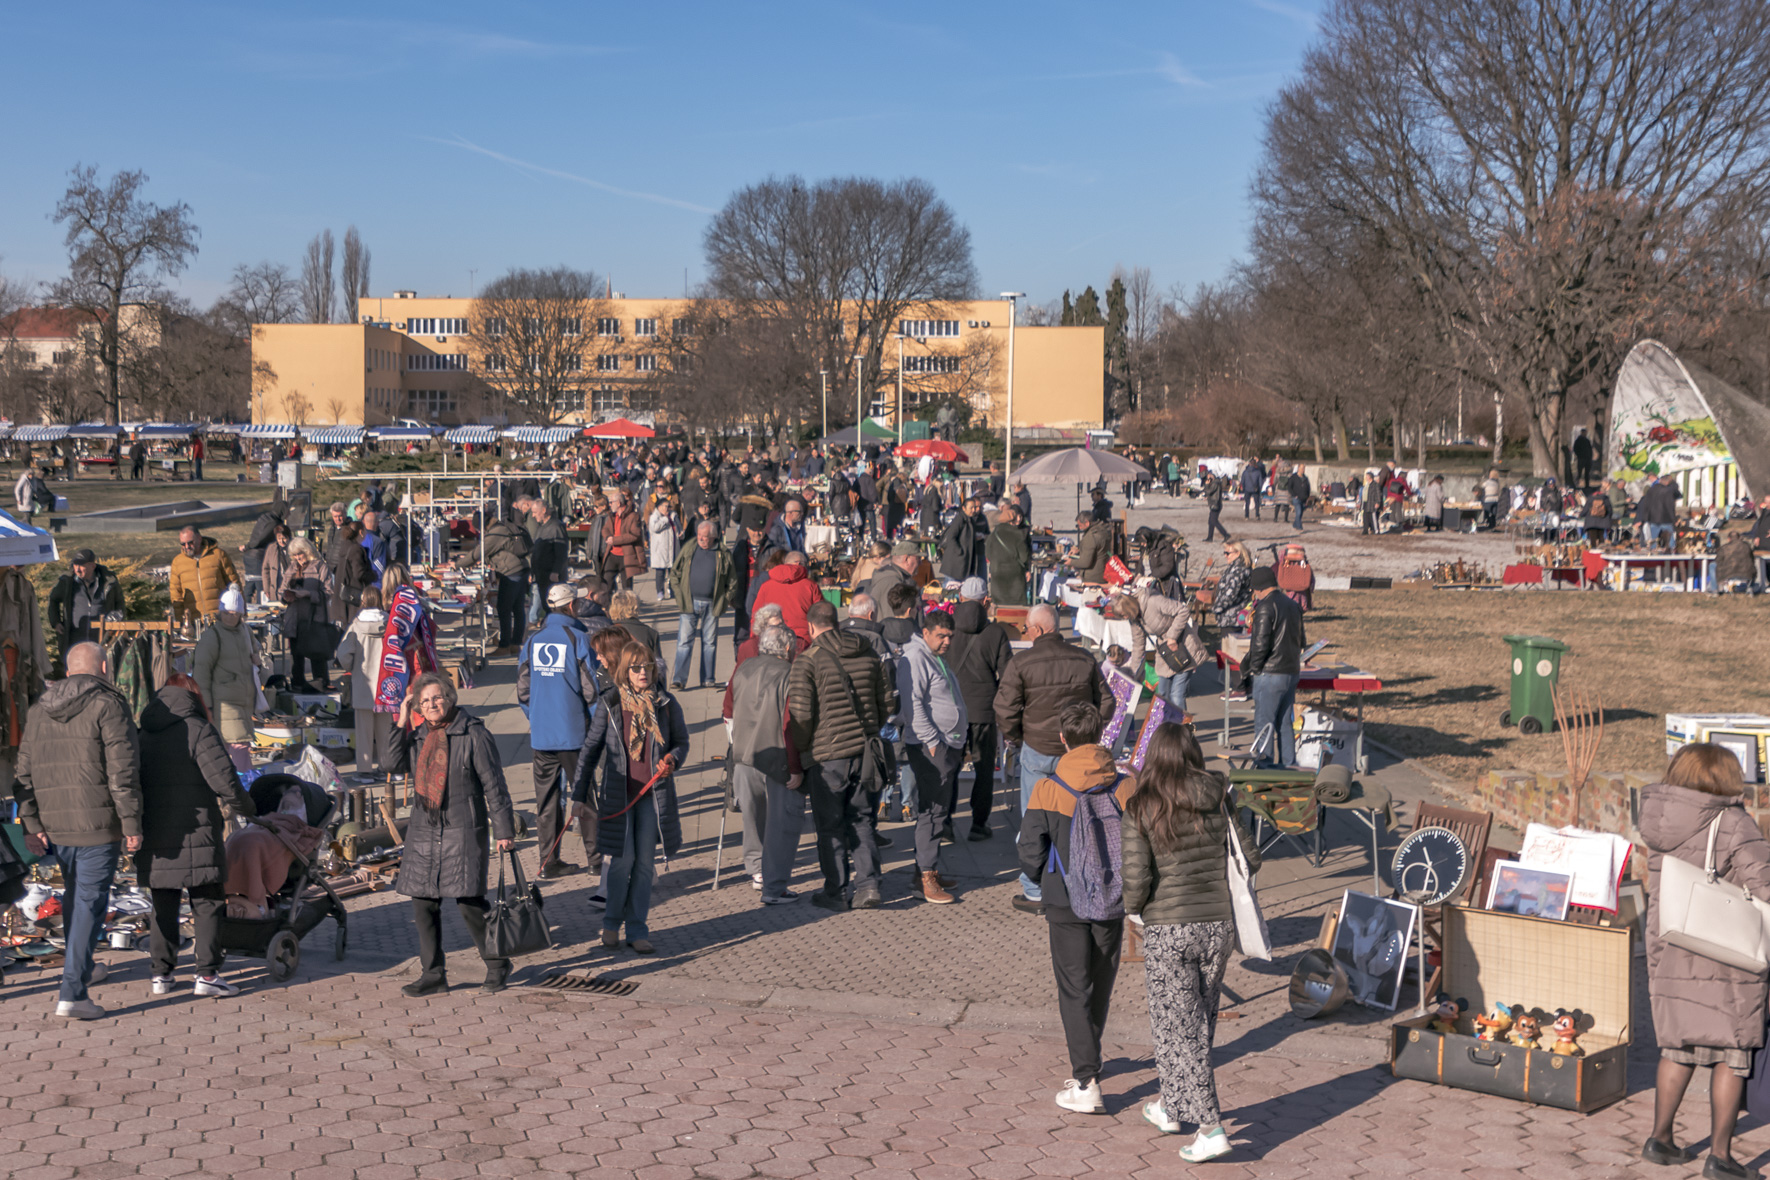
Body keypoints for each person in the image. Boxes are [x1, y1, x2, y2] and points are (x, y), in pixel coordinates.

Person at [1122, 722, 1259, 1163]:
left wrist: (1135, 910)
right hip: (1218, 924)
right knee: (1196, 1019)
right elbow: (1251, 857)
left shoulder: (1142, 804)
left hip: (1169, 927)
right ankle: (1170, 1104)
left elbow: (1136, 877)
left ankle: (1210, 1126)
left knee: (1179, 1025)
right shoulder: (1220, 794)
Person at [1640, 744, 1770, 1179]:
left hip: (1674, 949)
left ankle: (1660, 1139)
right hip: (1725, 959)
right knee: (1731, 1055)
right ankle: (1721, 1157)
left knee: (1676, 1048)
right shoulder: (1733, 822)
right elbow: (1765, 883)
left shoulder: (1658, 821)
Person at [1017, 702, 1137, 1116]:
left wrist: (1040, 878)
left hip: (1064, 898)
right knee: (1101, 979)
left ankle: (1086, 1080)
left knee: (1073, 985)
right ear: (1102, 735)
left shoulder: (1049, 787)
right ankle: (1092, 1056)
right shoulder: (1124, 785)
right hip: (1113, 898)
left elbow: (1030, 848)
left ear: (1063, 739)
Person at [13, 641, 142, 1019]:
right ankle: (73, 994)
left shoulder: (39, 710)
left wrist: (32, 825)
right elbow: (123, 771)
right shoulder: (109, 704)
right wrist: (132, 823)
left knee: (77, 900)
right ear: (104, 667)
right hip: (98, 824)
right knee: (88, 902)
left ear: (68, 672)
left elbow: (24, 774)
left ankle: (82, 969)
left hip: (56, 825)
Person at [392, 673, 518, 995]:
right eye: (425, 701)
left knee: (469, 903)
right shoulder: (419, 735)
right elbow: (390, 763)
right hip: (424, 831)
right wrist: (402, 720)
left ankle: (497, 963)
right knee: (423, 904)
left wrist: (503, 830)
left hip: (462, 830)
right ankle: (433, 975)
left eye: (437, 698)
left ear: (449, 697)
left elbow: (494, 784)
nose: (432, 704)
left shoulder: (474, 733)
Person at [136, 679, 256, 999]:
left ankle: (161, 975)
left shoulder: (144, 731)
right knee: (207, 901)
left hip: (155, 831)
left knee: (162, 902)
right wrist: (252, 810)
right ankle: (207, 974)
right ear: (194, 696)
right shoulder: (197, 729)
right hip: (198, 831)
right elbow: (226, 781)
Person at [570, 640, 689, 955]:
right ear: (624, 671)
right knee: (622, 864)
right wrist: (579, 796)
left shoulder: (666, 703)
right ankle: (611, 925)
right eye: (636, 667)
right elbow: (590, 751)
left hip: (653, 796)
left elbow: (681, 741)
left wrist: (673, 759)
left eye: (647, 666)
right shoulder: (609, 703)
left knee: (645, 866)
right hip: (618, 797)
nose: (643, 672)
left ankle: (638, 930)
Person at [994, 605, 1112, 913]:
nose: (1027, 634)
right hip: (1075, 750)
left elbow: (1005, 709)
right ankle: (1079, 880)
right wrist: (1087, 733)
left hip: (1037, 748)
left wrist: (1019, 737)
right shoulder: (1084, 659)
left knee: (1035, 819)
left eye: (1028, 629)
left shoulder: (1022, 662)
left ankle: (1034, 888)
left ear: (1037, 630)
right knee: (1076, 819)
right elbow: (1108, 701)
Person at [787, 601, 894, 912]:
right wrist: (872, 727)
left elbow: (801, 716)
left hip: (828, 755)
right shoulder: (868, 651)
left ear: (810, 627)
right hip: (866, 751)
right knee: (862, 820)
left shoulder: (807, 662)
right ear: (839, 621)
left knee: (830, 826)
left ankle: (835, 890)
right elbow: (887, 701)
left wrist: (806, 749)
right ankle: (869, 885)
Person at [519, 583, 601, 879]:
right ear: (571, 607)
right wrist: (595, 725)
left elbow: (523, 688)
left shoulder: (533, 640)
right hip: (573, 733)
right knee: (585, 796)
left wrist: (536, 716)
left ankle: (548, 862)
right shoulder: (578, 638)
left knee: (546, 801)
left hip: (542, 734)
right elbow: (591, 690)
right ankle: (595, 860)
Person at [729, 625, 807, 904]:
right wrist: (795, 766)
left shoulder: (744, 668)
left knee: (753, 817)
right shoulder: (790, 673)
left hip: (744, 755)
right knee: (781, 825)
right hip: (777, 758)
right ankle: (774, 887)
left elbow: (729, 707)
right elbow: (791, 722)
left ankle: (756, 870)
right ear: (788, 649)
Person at [897, 610, 966, 904]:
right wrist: (932, 741)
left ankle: (926, 870)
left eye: (950, 636)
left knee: (937, 809)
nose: (947, 641)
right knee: (933, 810)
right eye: (941, 636)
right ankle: (926, 877)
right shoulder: (915, 658)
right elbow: (913, 706)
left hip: (946, 743)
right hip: (930, 747)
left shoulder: (933, 656)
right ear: (926, 633)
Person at [948, 579, 1013, 841]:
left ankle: (945, 823)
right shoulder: (996, 633)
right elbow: (1008, 674)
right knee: (984, 769)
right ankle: (978, 824)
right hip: (984, 709)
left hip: (951, 709)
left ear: (960, 598)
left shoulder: (947, 628)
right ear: (985, 600)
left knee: (949, 768)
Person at [1114, 580, 1208, 719]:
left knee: (1177, 694)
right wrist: (1133, 674)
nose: (1124, 618)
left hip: (1184, 647)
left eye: (1123, 614)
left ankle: (1182, 731)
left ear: (1129, 607)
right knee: (1162, 693)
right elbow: (1138, 646)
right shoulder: (1135, 618)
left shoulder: (1153, 601)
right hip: (1165, 653)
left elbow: (1183, 610)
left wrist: (1172, 637)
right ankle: (1166, 727)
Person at [1243, 567, 1305, 768]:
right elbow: (1301, 639)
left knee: (1264, 724)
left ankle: (1264, 767)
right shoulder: (1293, 605)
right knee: (1285, 723)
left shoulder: (1265, 607)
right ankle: (1289, 765)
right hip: (1291, 671)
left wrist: (1254, 669)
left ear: (1258, 588)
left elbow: (1260, 644)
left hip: (1270, 673)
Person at [193, 587, 261, 761]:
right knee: (238, 745)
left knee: (234, 746)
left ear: (240, 614)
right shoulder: (212, 636)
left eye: (234, 613)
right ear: (220, 612)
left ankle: (236, 782)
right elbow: (201, 672)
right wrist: (206, 705)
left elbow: (256, 650)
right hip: (224, 703)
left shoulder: (245, 631)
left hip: (244, 701)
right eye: (227, 613)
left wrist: (256, 658)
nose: (230, 617)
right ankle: (241, 783)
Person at [669, 520, 735, 690]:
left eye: (705, 537)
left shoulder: (723, 553)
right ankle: (679, 679)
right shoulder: (689, 547)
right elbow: (675, 573)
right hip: (689, 602)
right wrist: (679, 596)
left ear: (713, 537)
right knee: (684, 642)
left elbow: (732, 581)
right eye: (699, 536)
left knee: (710, 643)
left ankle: (708, 678)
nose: (701, 540)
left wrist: (724, 600)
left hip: (712, 604)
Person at [336, 587, 392, 777]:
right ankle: (386, 768)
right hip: (386, 683)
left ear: (363, 601)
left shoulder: (356, 625)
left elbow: (343, 653)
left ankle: (364, 770)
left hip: (363, 683)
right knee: (385, 731)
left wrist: (351, 667)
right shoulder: (390, 622)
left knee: (363, 732)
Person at [276, 538, 336, 693]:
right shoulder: (291, 568)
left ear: (307, 551)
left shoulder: (321, 567)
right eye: (295, 555)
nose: (298, 558)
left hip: (314, 619)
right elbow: (281, 590)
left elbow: (328, 592)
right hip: (295, 619)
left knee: (317, 656)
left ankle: (320, 685)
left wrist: (308, 594)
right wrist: (285, 596)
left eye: (300, 554)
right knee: (296, 656)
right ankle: (297, 685)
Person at [47, 548, 123, 653]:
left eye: (81, 565)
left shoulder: (108, 581)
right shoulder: (67, 582)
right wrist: (56, 622)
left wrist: (117, 621)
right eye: (75, 565)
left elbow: (119, 602)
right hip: (74, 640)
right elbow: (53, 599)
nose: (77, 569)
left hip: (101, 639)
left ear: (92, 566)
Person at [483, 501, 532, 653]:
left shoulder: (499, 532)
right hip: (522, 571)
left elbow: (485, 552)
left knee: (504, 609)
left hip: (510, 573)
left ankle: (504, 645)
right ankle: (515, 643)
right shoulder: (515, 527)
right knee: (517, 609)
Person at [169, 526, 240, 631]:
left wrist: (240, 612)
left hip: (220, 618)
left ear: (199, 539)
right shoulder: (178, 562)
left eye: (190, 542)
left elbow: (234, 585)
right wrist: (181, 622)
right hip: (195, 623)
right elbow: (176, 595)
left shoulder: (218, 555)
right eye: (183, 544)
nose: (187, 546)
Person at [752, 551, 822, 642]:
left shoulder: (766, 586)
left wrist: (753, 640)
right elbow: (821, 616)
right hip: (803, 640)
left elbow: (756, 617)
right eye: (806, 564)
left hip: (772, 639)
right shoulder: (811, 586)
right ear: (799, 563)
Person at [528, 492, 570, 626]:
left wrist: (556, 571)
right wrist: (532, 572)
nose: (533, 516)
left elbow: (562, 552)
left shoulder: (556, 527)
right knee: (546, 605)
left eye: (535, 512)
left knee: (553, 606)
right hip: (540, 574)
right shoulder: (541, 527)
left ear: (544, 510)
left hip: (551, 575)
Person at [987, 504, 1032, 606]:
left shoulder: (994, 533)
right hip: (1015, 576)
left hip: (997, 574)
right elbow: (1024, 557)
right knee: (1016, 608)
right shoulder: (1019, 534)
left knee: (1000, 607)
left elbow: (988, 553)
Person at [604, 491, 645, 593]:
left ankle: (628, 607)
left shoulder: (633, 516)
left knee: (626, 587)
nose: (609, 505)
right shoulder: (612, 516)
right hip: (612, 554)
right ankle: (607, 606)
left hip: (626, 555)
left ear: (618, 503)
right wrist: (608, 536)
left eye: (611, 502)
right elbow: (605, 529)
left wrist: (615, 540)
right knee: (606, 582)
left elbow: (635, 535)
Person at [608, 589, 662, 662]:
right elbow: (658, 666)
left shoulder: (608, 632)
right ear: (635, 607)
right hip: (643, 671)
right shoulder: (650, 633)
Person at [939, 495, 983, 583]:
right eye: (971, 508)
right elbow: (951, 537)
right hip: (955, 563)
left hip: (961, 563)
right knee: (951, 589)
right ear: (964, 508)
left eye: (974, 507)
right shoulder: (960, 519)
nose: (974, 510)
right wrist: (960, 551)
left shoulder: (969, 520)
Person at [1635, 475, 1682, 553]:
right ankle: (1672, 552)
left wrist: (1645, 518)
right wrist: (1674, 519)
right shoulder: (1668, 491)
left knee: (1653, 539)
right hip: (1666, 518)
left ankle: (1653, 554)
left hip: (1653, 518)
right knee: (1670, 539)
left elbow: (1646, 505)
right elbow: (1670, 507)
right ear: (1667, 482)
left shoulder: (1651, 490)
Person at [1213, 542, 1253, 631]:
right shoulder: (1234, 568)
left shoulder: (1239, 571)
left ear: (1238, 553)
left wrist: (1217, 608)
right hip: (1231, 616)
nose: (1225, 556)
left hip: (1233, 618)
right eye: (1224, 553)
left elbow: (1230, 594)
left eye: (1228, 553)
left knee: (1230, 643)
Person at [647, 494, 681, 602]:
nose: (667, 508)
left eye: (668, 506)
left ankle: (672, 590)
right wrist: (665, 519)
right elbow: (655, 528)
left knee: (672, 571)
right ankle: (660, 591)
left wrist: (681, 533)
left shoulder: (673, 515)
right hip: (660, 549)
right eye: (665, 506)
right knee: (660, 572)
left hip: (672, 547)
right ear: (659, 507)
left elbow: (678, 527)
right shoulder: (654, 517)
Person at [1070, 511, 1112, 584]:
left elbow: (1085, 562)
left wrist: (1070, 562)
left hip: (1092, 578)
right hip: (1103, 573)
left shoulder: (1091, 536)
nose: (1079, 528)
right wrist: (1079, 549)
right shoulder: (1102, 530)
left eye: (1080, 525)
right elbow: (1096, 547)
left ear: (1087, 523)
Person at [260, 523, 292, 606]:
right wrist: (266, 588)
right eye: (279, 538)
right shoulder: (271, 548)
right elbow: (265, 569)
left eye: (284, 538)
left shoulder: (294, 548)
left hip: (290, 586)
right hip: (276, 586)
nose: (281, 541)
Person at [1202, 473, 1230, 542]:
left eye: (1209, 478)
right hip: (1214, 504)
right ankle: (1210, 537)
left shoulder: (1215, 484)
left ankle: (1226, 535)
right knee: (1211, 521)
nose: (1208, 480)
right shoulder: (1214, 483)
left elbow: (1208, 492)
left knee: (1214, 521)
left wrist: (1206, 484)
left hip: (1215, 504)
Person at [1287, 466, 1311, 532]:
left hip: (1304, 498)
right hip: (1296, 498)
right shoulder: (1293, 477)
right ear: (1298, 469)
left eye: (1304, 469)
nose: (1303, 470)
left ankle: (1295, 524)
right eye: (1302, 468)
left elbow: (1308, 487)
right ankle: (1300, 527)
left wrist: (1307, 497)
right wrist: (1294, 495)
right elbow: (1289, 487)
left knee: (1300, 513)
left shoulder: (1305, 478)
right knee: (1298, 511)